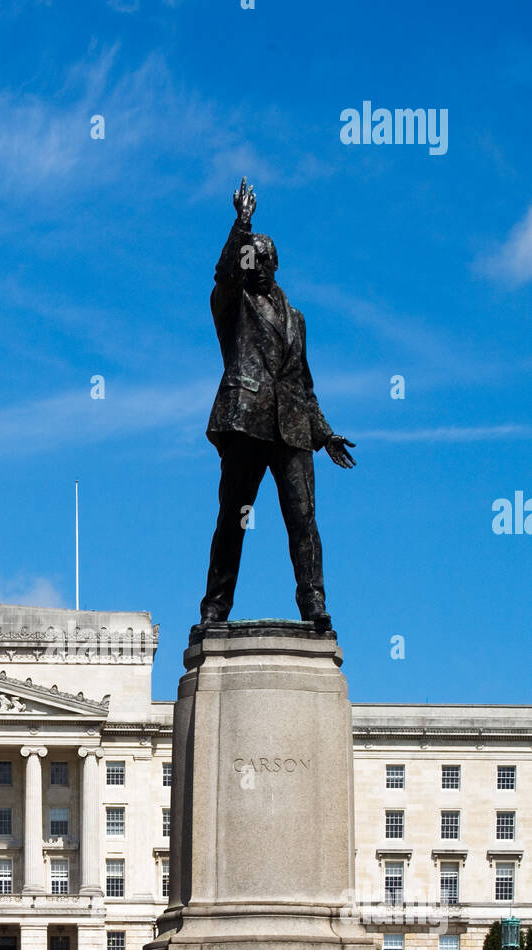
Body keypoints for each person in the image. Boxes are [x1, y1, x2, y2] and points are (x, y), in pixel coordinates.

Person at [199, 178, 356, 633]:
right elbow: (224, 271)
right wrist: (242, 224)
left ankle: (314, 604)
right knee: (234, 517)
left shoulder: (296, 317)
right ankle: (215, 607)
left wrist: (324, 432)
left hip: (292, 427)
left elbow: (302, 381)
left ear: (276, 264)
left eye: (264, 259)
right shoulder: (232, 302)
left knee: (303, 520)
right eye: (253, 259)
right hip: (246, 421)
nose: (257, 266)